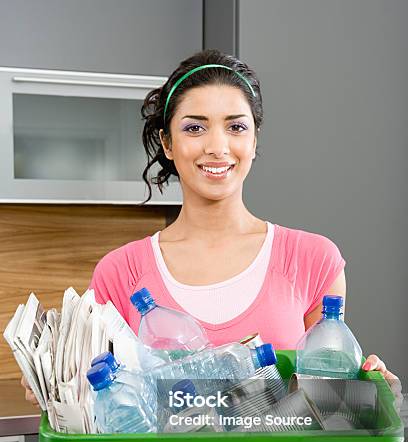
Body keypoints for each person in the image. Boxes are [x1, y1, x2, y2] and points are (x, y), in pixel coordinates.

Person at [22, 48, 402, 407]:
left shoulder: (313, 260)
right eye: (194, 128)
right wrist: (55, 383)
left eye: (236, 126)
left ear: (254, 140)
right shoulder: (121, 273)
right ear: (167, 143)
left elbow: (326, 400)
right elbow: (100, 402)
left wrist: (369, 394)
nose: (218, 146)